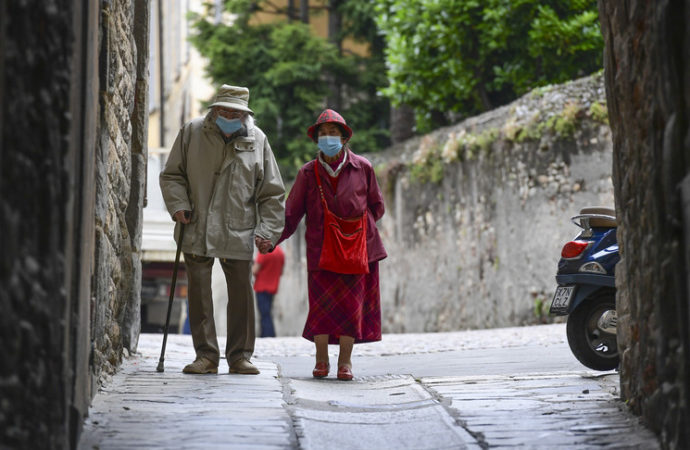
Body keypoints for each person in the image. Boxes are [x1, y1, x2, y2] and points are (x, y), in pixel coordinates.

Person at [160, 85, 285, 375]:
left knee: (241, 295)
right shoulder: (192, 133)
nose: (230, 115)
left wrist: (268, 230)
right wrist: (179, 205)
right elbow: (171, 175)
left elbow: (272, 192)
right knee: (199, 294)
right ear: (214, 110)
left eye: (236, 112)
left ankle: (240, 356)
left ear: (245, 115)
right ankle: (206, 356)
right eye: (225, 110)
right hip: (196, 225)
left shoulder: (258, 140)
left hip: (238, 228)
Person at [275, 109, 387, 380]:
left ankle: (345, 363)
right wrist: (272, 238)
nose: (328, 138)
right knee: (321, 307)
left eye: (333, 133)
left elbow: (377, 206)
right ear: (316, 140)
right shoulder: (307, 173)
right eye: (323, 134)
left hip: (357, 251)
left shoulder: (363, 167)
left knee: (351, 307)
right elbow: (292, 213)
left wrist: (355, 231)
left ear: (344, 138)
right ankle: (321, 360)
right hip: (320, 249)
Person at [252, 245, 285, 337]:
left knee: (264, 314)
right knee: (268, 312)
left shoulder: (264, 251)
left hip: (261, 287)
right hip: (273, 287)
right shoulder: (280, 252)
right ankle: (268, 334)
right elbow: (281, 271)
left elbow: (255, 270)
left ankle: (268, 335)